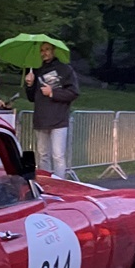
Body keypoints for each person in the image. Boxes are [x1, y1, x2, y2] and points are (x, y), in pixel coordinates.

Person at [23, 42, 79, 176]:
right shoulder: (36, 71)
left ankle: (60, 184)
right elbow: (32, 98)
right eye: (42, 50)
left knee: (58, 156)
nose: (44, 53)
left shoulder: (65, 70)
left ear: (54, 50)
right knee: (43, 155)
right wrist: (29, 85)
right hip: (41, 119)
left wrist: (52, 93)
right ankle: (46, 184)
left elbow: (73, 92)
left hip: (59, 119)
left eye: (47, 49)